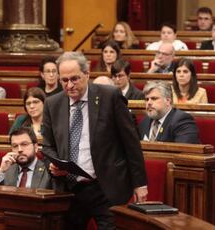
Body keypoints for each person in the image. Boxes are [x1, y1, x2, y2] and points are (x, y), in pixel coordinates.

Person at [42, 52, 148, 229]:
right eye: (64, 80)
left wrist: (140, 184)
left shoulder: (109, 96)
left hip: (105, 187)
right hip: (70, 190)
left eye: (75, 79)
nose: (69, 85)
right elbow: (48, 146)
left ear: (87, 74)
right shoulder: (53, 104)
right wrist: (52, 166)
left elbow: (131, 143)